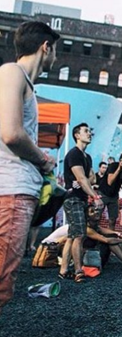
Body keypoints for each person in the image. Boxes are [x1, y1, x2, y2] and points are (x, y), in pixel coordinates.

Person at [0, 21, 59, 312]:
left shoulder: (22, 81)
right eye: (54, 50)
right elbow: (11, 133)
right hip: (11, 191)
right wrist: (44, 160)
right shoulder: (12, 72)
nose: (55, 58)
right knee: (1, 283)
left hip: (15, 191)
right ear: (45, 47)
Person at [59, 123, 103, 283]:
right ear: (77, 135)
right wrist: (95, 196)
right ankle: (78, 271)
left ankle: (63, 270)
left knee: (72, 236)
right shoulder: (74, 154)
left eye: (90, 131)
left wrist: (84, 181)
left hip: (81, 198)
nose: (90, 133)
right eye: (86, 131)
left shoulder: (87, 157)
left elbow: (91, 177)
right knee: (79, 235)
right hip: (73, 199)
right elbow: (83, 178)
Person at [98, 151, 122, 230]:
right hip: (103, 193)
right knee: (97, 216)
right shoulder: (113, 166)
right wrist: (119, 168)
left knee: (113, 219)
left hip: (114, 195)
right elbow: (110, 181)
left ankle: (110, 236)